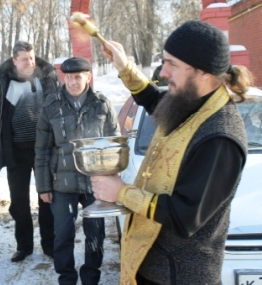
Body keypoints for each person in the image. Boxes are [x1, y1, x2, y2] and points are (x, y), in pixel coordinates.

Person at [91, 20, 253, 284]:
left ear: (204, 72)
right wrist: (124, 67)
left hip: (179, 276)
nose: (163, 72)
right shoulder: (196, 103)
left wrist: (120, 192)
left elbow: (184, 216)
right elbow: (158, 104)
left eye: (172, 64)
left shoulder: (220, 137)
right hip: (152, 265)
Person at [35, 56, 120, 284]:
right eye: (69, 77)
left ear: (88, 77)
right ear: (64, 77)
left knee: (95, 235)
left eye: (78, 77)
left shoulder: (102, 104)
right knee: (63, 235)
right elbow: (42, 150)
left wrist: (111, 181)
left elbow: (114, 146)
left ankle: (91, 277)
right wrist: (43, 187)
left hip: (96, 183)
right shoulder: (52, 106)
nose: (72, 82)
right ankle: (66, 278)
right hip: (61, 185)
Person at [0, 40, 59, 262]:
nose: (29, 62)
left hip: (44, 151)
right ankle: (24, 246)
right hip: (15, 152)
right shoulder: (2, 83)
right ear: (14, 60)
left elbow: (61, 113)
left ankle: (49, 245)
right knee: (19, 202)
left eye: (31, 58)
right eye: (24, 59)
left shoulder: (48, 79)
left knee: (47, 200)